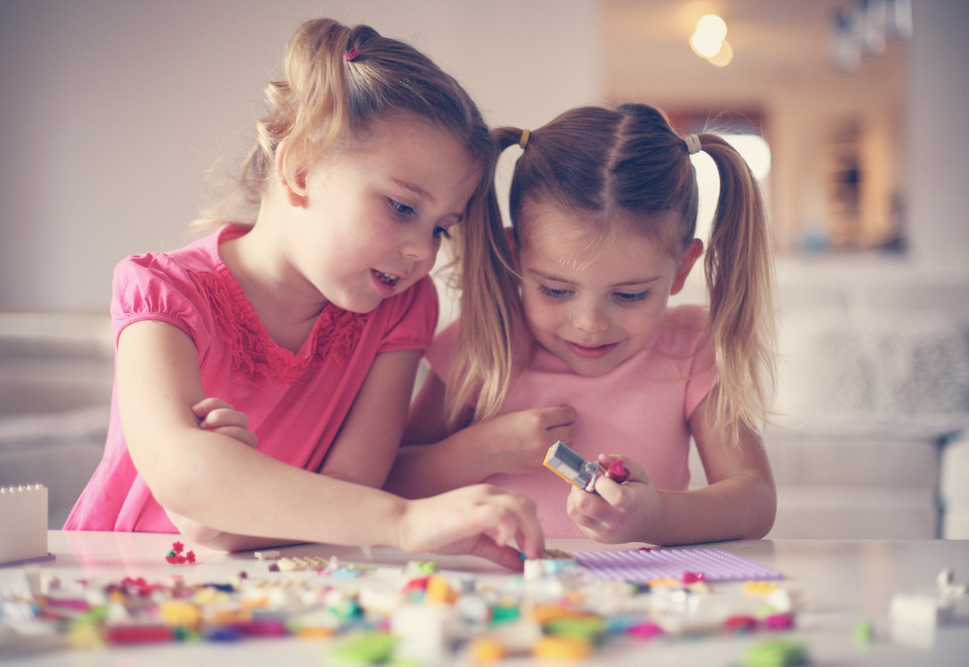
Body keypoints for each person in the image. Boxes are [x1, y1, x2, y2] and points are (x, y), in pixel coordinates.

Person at [64, 18, 543, 569]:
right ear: (300, 167)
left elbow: (351, 483)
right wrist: (406, 522)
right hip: (120, 578)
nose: (422, 251)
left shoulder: (401, 308)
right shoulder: (164, 294)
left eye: (441, 227)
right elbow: (184, 472)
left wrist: (229, 513)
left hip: (287, 585)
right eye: (402, 207)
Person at [387, 103, 777, 545]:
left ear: (682, 269)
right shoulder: (479, 347)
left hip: (640, 602)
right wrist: (475, 453)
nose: (590, 324)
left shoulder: (690, 347)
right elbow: (387, 486)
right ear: (516, 256)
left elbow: (755, 499)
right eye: (556, 290)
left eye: (629, 295)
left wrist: (657, 516)